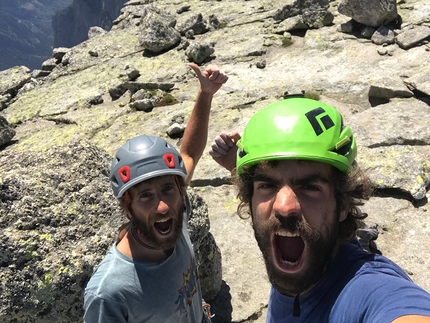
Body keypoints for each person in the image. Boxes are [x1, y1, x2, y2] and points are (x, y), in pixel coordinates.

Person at [209, 94, 430, 322]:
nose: (284, 207)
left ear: (343, 203)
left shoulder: (369, 291)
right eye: (267, 184)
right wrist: (239, 167)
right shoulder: (300, 252)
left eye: (310, 187)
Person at [83, 62, 228, 323]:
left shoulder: (176, 220)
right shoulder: (110, 293)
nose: (162, 207)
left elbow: (189, 154)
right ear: (127, 207)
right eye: (145, 196)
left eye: (167, 189)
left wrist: (205, 94)